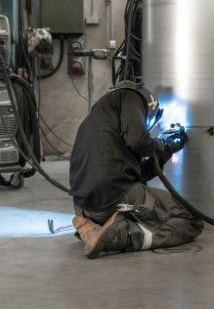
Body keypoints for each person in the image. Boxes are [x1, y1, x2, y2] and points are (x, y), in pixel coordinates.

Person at [68, 81, 202, 259]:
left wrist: (165, 150)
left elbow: (137, 174)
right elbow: (138, 140)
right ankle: (124, 236)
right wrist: (161, 145)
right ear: (151, 107)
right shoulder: (133, 96)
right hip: (114, 196)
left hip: (83, 208)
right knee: (191, 220)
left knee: (139, 201)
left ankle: (94, 228)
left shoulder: (100, 119)